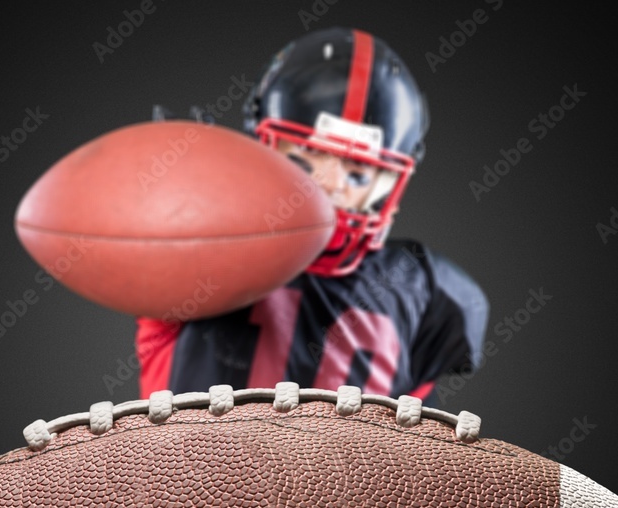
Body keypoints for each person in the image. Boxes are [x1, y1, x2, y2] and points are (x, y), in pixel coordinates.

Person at [135, 27, 488, 405]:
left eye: (357, 172)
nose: (329, 186)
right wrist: (180, 206)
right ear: (261, 149)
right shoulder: (203, 243)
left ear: (389, 186)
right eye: (304, 159)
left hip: (350, 467)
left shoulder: (429, 295)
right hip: (188, 465)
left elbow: (411, 444)